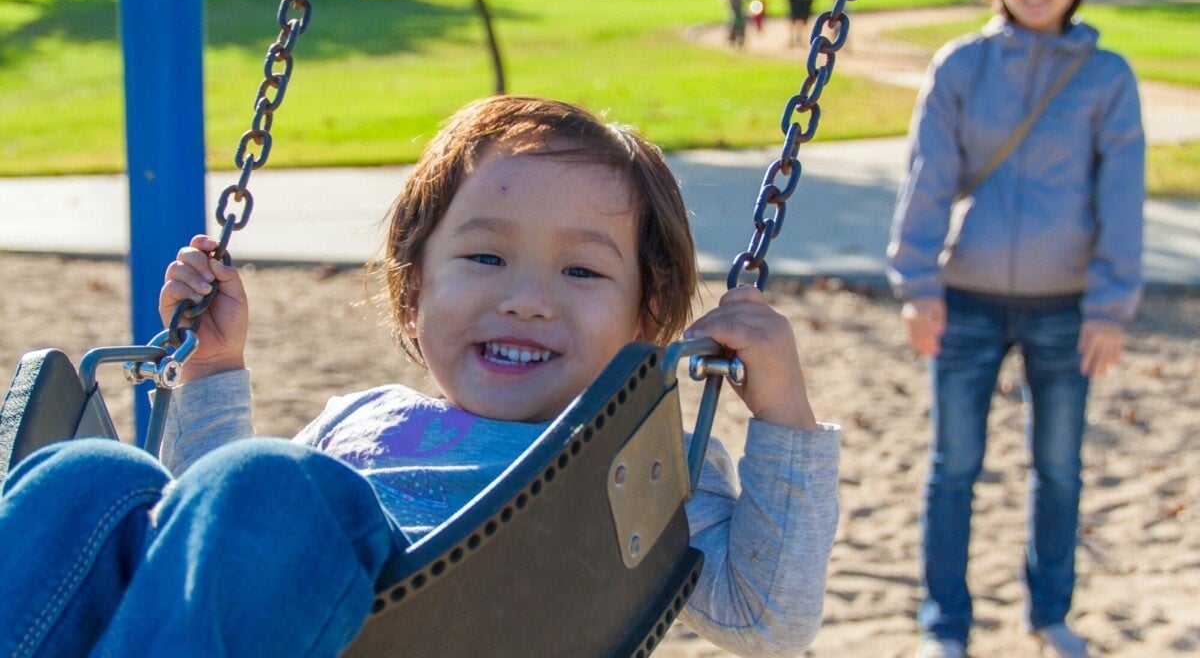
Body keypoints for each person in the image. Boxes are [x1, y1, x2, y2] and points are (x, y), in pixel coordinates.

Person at [0, 95, 841, 657]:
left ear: (647, 323)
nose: (526, 300)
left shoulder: (636, 462)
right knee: (89, 479)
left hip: (415, 624)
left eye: (581, 273)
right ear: (412, 298)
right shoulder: (360, 417)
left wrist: (784, 415)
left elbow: (767, 617)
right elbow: (207, 547)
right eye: (484, 256)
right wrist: (214, 368)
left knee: (274, 483)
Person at [886, 0, 1145, 658]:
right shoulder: (960, 67)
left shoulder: (1107, 78)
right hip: (963, 300)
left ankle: (1050, 615)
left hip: (1067, 309)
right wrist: (917, 285)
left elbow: (1121, 200)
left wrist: (1111, 307)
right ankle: (946, 625)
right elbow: (926, 180)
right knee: (953, 467)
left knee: (1058, 468)